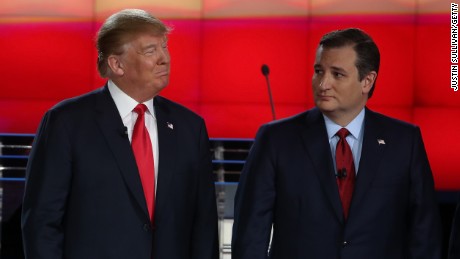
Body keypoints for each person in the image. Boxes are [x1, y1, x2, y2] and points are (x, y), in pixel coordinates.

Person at [22, 9, 219, 259]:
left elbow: (204, 225)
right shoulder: (66, 122)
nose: (164, 58)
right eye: (150, 51)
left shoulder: (191, 127)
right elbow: (42, 222)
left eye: (164, 47)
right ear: (116, 64)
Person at [232, 28, 442, 259]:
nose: (323, 84)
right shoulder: (275, 140)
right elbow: (250, 237)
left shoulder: (404, 142)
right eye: (319, 71)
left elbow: (425, 236)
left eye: (337, 74)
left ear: (367, 81)